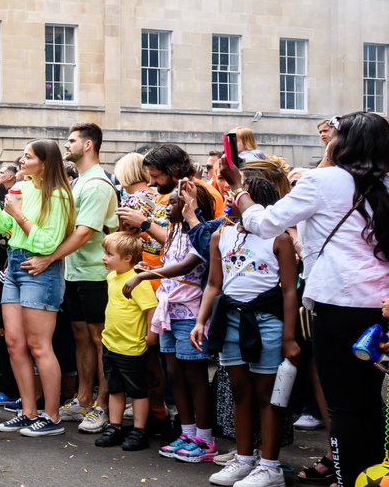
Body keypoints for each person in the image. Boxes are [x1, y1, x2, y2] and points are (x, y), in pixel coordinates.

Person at [225, 112, 389, 487]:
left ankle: (350, 478)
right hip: (379, 306)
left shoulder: (323, 180)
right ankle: (374, 476)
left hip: (338, 302)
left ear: (344, 143)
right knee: (369, 396)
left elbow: (267, 224)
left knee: (343, 403)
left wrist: (242, 196)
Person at [191, 162, 299, 487]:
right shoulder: (220, 236)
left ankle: (270, 466)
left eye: (235, 196)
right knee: (240, 392)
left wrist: (289, 337)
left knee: (268, 395)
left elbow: (290, 290)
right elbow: (213, 284)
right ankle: (243, 459)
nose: (227, 201)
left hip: (266, 322)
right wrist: (201, 321)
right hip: (231, 322)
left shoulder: (279, 239)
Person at [25, 123, 118, 433]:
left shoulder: (96, 185)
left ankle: (102, 405)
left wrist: (49, 258)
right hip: (75, 272)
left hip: (95, 274)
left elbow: (83, 234)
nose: (66, 145)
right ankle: (83, 398)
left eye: (72, 140)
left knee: (98, 339)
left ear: (89, 145)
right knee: (81, 337)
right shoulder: (78, 182)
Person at [124, 173, 216, 465]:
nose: (168, 207)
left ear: (190, 205)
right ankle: (187, 433)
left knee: (195, 376)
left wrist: (146, 275)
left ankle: (205, 438)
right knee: (174, 374)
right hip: (169, 310)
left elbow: (185, 266)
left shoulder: (200, 232)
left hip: (190, 311)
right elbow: (169, 262)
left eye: (176, 202)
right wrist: (146, 266)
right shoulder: (174, 231)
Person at [0, 139, 75, 438]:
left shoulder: (60, 196)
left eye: (27, 157)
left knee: (40, 346)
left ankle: (51, 416)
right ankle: (28, 411)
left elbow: (48, 244)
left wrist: (21, 216)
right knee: (14, 343)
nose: (21, 161)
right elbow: (0, 227)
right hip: (14, 265)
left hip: (41, 269)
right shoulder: (21, 188)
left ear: (45, 162)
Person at [96, 231, 157, 451]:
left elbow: (151, 308)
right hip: (111, 343)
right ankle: (115, 426)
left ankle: (139, 430)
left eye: (109, 254)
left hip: (131, 347)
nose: (104, 258)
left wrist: (151, 335)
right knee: (115, 388)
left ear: (127, 259)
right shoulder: (111, 276)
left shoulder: (138, 280)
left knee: (137, 390)